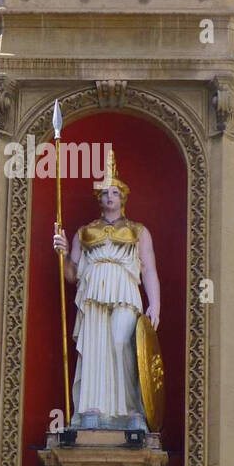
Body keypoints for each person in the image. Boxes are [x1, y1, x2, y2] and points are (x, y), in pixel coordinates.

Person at [52, 150, 160, 431]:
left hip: (125, 292)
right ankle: (92, 408)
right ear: (99, 199)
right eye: (104, 193)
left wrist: (155, 305)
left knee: (123, 345)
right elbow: (73, 275)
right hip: (93, 296)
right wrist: (63, 254)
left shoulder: (138, 231)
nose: (109, 197)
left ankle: (132, 410)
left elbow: (148, 269)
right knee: (96, 347)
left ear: (122, 196)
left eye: (114, 192)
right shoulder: (84, 233)